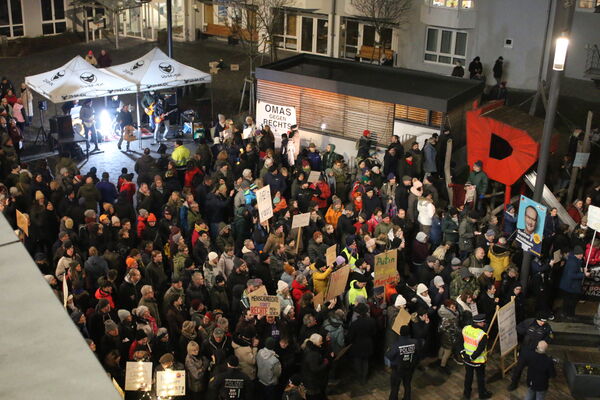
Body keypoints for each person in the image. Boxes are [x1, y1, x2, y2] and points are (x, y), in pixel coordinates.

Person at [508, 311, 553, 391]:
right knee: (519, 368)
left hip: (536, 352)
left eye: (544, 321)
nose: (542, 323)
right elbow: (518, 328)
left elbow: (550, 337)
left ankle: (530, 383)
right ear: (537, 319)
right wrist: (525, 333)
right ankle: (514, 383)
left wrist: (544, 343)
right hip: (525, 350)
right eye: (541, 321)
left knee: (533, 370)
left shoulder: (547, 327)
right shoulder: (529, 322)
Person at [461, 313, 492, 399]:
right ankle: (482, 394)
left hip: (467, 359)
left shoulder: (465, 328)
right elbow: (480, 349)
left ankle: (466, 395)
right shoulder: (482, 335)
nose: (484, 324)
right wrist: (472, 358)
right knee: (480, 378)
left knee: (468, 377)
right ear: (478, 323)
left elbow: (461, 341)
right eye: (483, 322)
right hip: (478, 361)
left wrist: (463, 353)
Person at [386, 325, 419, 400]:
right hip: (409, 368)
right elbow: (418, 354)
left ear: (400, 333)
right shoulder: (415, 343)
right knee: (407, 385)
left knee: (395, 387)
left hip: (397, 369)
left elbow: (389, 355)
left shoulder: (396, 344)